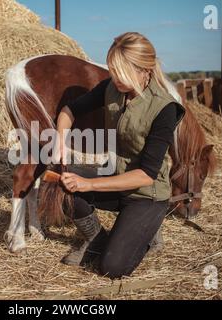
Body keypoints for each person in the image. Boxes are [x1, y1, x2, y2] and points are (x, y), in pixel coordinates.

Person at [55, 32, 186, 279]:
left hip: (146, 195)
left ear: (144, 70)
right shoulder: (111, 87)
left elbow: (147, 175)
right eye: (112, 70)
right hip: (114, 177)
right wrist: (60, 140)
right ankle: (96, 239)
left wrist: (89, 183)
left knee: (112, 268)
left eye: (121, 72)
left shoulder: (165, 108)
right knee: (65, 181)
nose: (114, 78)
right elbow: (69, 110)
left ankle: (146, 232)